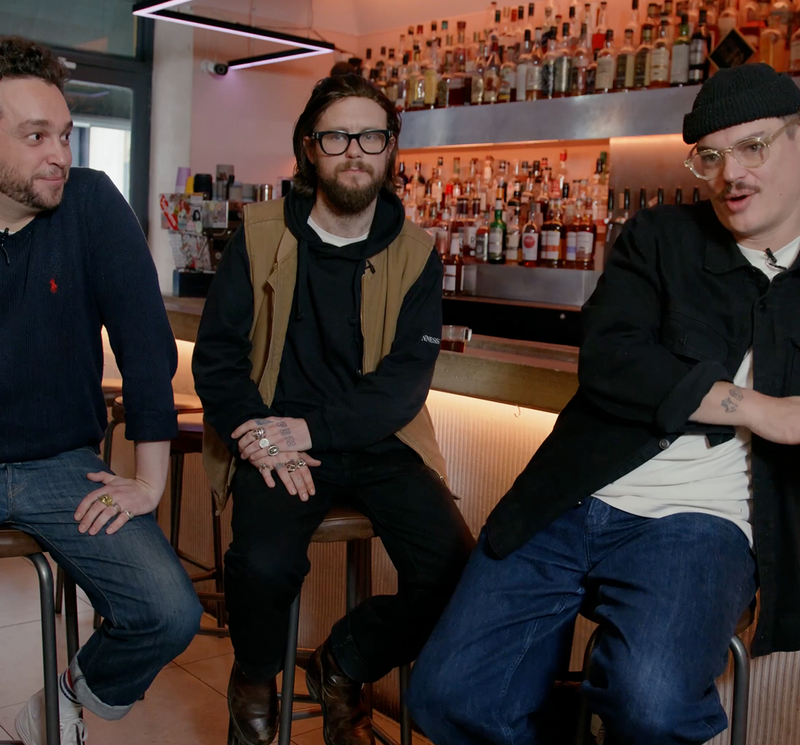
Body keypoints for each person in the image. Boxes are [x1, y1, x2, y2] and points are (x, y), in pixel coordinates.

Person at [408, 63, 800, 745]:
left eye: (754, 146)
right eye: (711, 155)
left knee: (648, 703)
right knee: (445, 693)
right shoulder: (661, 236)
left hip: (701, 524)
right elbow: (611, 359)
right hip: (573, 496)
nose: (731, 173)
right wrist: (756, 407)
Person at [192, 73, 474, 745]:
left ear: (391, 150)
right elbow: (218, 356)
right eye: (338, 136)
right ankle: (256, 683)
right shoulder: (259, 233)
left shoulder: (417, 254)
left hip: (380, 440)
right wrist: (260, 433)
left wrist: (313, 426)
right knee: (261, 562)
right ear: (309, 148)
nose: (356, 150)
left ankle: (342, 663)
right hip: (274, 435)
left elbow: (406, 384)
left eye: (372, 136)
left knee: (459, 571)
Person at [0, 37, 202, 745]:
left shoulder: (89, 203)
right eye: (35, 137)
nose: (60, 152)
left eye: (63, 134)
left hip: (61, 465)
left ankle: (58, 702)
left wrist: (149, 480)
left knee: (170, 610)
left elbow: (147, 345)